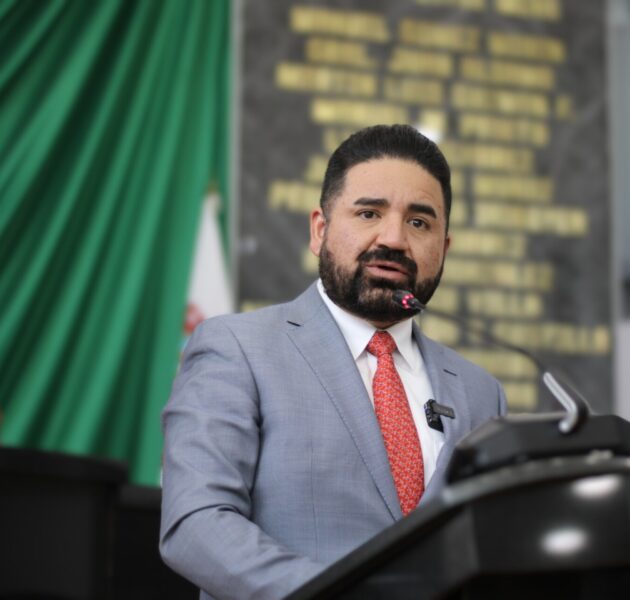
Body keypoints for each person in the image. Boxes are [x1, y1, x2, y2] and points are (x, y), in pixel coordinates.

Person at [160, 124, 507, 599]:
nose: (394, 238)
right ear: (319, 231)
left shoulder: (482, 392)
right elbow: (197, 523)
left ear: (443, 249)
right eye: (369, 213)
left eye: (419, 223)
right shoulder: (238, 349)